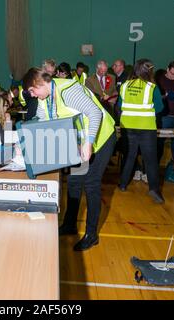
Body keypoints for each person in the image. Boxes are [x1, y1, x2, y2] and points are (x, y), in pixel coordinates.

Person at [23, 68, 116, 251]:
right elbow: (41, 121)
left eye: (32, 91)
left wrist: (89, 143)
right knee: (74, 181)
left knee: (91, 184)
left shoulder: (68, 92)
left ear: (39, 84)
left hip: (102, 138)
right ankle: (70, 224)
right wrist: (25, 139)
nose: (32, 96)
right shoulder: (46, 98)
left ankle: (91, 235)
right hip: (81, 143)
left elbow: (95, 113)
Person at [118, 59, 165, 203]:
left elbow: (120, 105)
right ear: (149, 71)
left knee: (130, 156)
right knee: (150, 159)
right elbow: (160, 107)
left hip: (127, 126)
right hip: (146, 127)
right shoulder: (152, 87)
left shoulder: (125, 85)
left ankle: (123, 184)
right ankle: (154, 190)